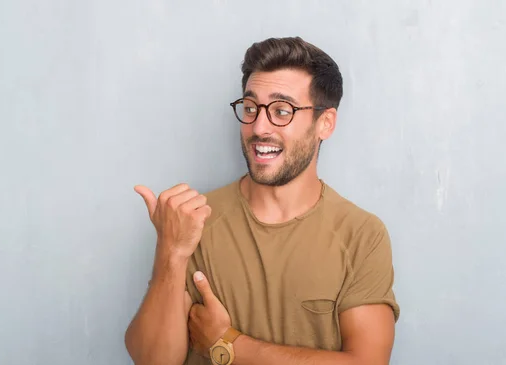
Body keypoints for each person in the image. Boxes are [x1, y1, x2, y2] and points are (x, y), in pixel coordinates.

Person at [125, 36, 400, 365]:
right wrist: (170, 252)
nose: (258, 127)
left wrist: (228, 343)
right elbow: (152, 361)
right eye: (251, 108)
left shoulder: (361, 234)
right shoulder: (195, 221)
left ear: (324, 123)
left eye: (281, 111)